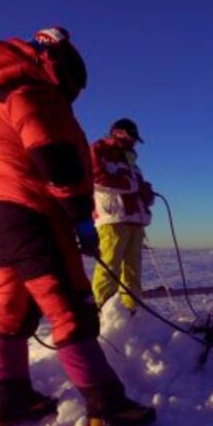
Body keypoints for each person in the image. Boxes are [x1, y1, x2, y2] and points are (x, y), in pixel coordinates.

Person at [0, 26, 155, 426]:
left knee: (11, 308)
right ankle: (107, 405)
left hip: (2, 219)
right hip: (37, 216)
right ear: (57, 66)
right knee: (70, 305)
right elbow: (54, 158)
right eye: (73, 82)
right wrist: (78, 216)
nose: (74, 94)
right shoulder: (33, 94)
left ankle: (11, 400)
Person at [90, 118, 155, 313]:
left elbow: (138, 185)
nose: (134, 142)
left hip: (135, 219)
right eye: (131, 137)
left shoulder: (131, 161)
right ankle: (101, 313)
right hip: (113, 219)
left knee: (133, 271)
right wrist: (132, 185)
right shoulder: (98, 150)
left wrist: (146, 193)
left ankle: (131, 313)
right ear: (117, 132)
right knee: (109, 268)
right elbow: (95, 178)